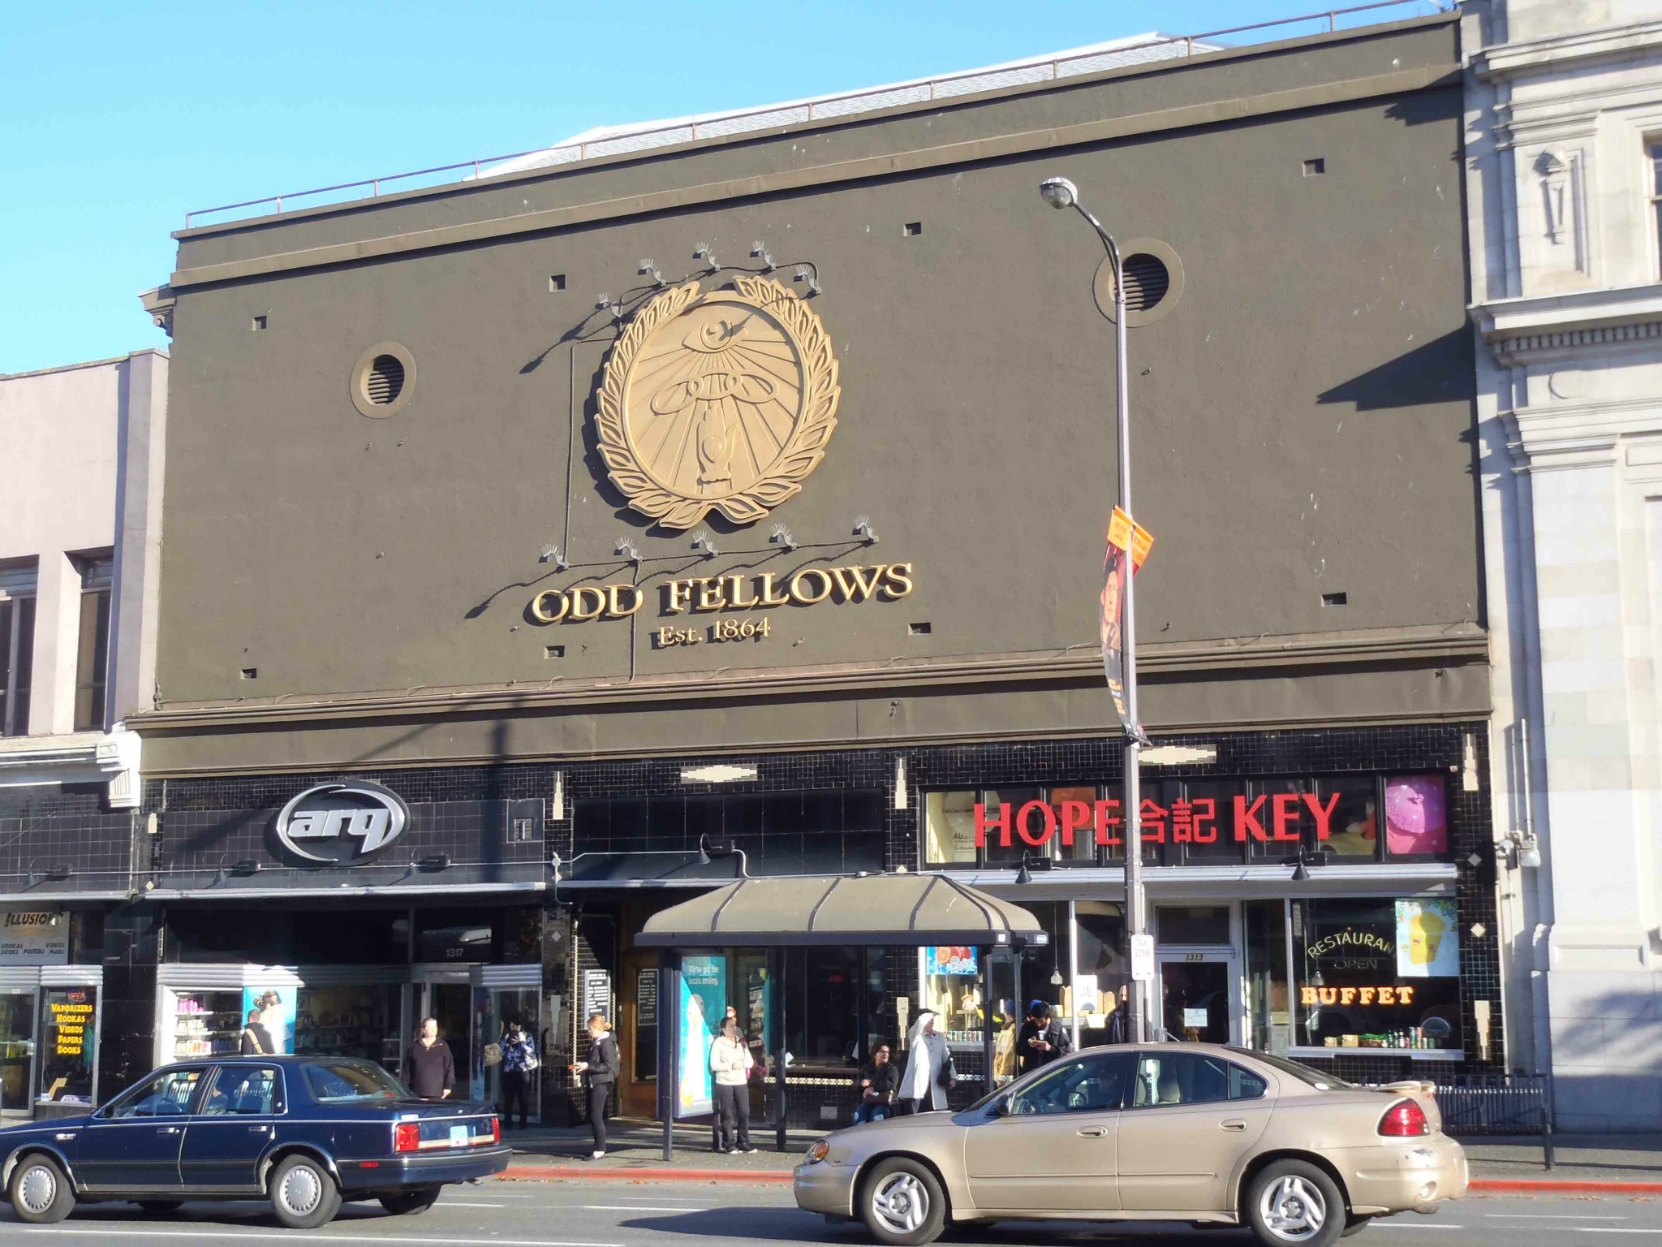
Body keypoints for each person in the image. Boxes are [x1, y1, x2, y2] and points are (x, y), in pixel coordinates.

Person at [572, 1011, 618, 1159]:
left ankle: (600, 1149)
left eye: (590, 1028)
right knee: (594, 1116)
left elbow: (607, 1065)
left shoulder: (605, 1043)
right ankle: (598, 1148)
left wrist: (588, 1066)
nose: (588, 1031)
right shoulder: (596, 1042)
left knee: (596, 1116)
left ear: (597, 1028)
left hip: (601, 1082)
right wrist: (582, 1065)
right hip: (595, 1082)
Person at [709, 1014, 755, 1153]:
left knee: (744, 1112)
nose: (734, 1029)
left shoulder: (740, 1042)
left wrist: (741, 1063)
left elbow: (750, 1061)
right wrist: (730, 1065)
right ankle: (729, 1143)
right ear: (723, 1029)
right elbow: (714, 1064)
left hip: (740, 1081)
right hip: (725, 1082)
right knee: (727, 1113)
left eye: (734, 1026)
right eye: (730, 1026)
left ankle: (743, 1141)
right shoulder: (718, 1043)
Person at [898, 1010, 955, 1114]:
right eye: (929, 1019)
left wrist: (953, 1077)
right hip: (919, 1083)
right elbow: (916, 1027)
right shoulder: (916, 1035)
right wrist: (925, 1016)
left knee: (935, 1114)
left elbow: (946, 1057)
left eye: (933, 1019)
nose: (932, 1021)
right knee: (916, 1115)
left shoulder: (939, 1036)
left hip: (935, 1081)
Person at [404, 1017, 455, 1100]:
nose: (433, 1029)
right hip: (416, 1092)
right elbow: (406, 1068)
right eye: (430, 1027)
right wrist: (405, 1088)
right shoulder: (414, 1046)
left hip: (437, 1093)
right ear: (423, 1030)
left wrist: (448, 1087)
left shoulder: (443, 1046)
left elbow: (449, 1067)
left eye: (435, 1027)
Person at [1016, 999, 1071, 1075]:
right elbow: (1018, 1050)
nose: (1038, 1024)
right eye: (1035, 1021)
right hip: (1031, 1074)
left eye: (1041, 1021)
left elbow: (1067, 1054)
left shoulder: (1058, 1029)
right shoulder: (1027, 1027)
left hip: (1053, 1074)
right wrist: (1029, 1045)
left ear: (1048, 1018)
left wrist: (1050, 1048)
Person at [499, 1018, 536, 1129]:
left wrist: (521, 1043)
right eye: (511, 1026)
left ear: (520, 1026)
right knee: (508, 1098)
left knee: (523, 1098)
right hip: (509, 1070)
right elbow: (501, 1052)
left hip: (522, 1070)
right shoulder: (506, 1037)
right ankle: (507, 1122)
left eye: (515, 1026)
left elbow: (531, 1051)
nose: (513, 1028)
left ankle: (523, 1122)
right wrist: (508, 1044)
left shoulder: (527, 1036)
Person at [853, 1041, 900, 1123]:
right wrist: (861, 1083)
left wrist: (872, 1087)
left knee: (877, 1115)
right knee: (858, 1115)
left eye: (887, 1052)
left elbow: (890, 1084)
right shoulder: (867, 1068)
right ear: (875, 1054)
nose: (885, 1054)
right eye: (882, 1052)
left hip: (885, 1102)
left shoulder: (892, 1069)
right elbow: (856, 1085)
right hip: (869, 1101)